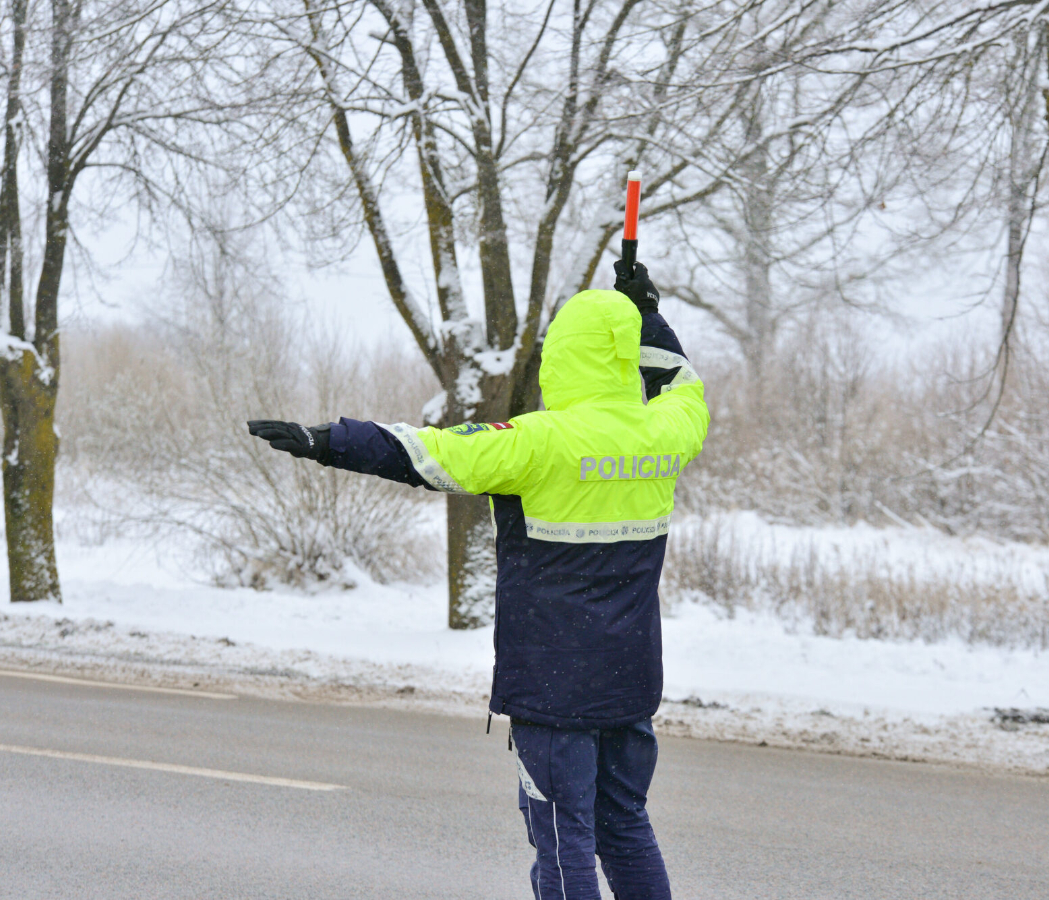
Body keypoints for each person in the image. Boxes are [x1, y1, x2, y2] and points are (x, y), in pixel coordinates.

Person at [249, 261, 708, 900]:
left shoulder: (538, 441)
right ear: (624, 356)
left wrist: (326, 440)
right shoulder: (668, 433)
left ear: (561, 359)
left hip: (553, 687)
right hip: (629, 681)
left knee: (561, 837)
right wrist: (647, 316)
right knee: (624, 824)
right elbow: (682, 383)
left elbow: (426, 452)